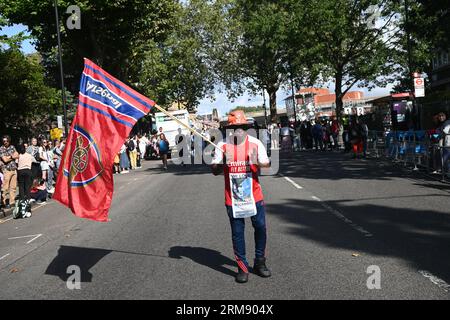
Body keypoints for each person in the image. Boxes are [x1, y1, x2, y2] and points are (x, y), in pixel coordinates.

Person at [211, 110, 271, 284]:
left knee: (260, 228)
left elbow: (266, 164)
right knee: (238, 233)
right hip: (233, 199)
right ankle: (242, 268)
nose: (238, 130)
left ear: (246, 128)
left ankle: (260, 262)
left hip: (254, 196)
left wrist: (256, 162)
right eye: (235, 127)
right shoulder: (222, 145)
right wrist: (223, 162)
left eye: (242, 127)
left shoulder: (255, 143)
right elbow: (214, 171)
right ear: (229, 129)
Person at [0, 135, 19, 209]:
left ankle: (12, 202)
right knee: (5, 188)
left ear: (9, 141)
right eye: (4, 141)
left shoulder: (12, 147)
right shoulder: (1, 148)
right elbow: (5, 160)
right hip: (6, 170)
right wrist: (12, 156)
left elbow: (17, 155)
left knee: (13, 187)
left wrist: (9, 157)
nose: (5, 142)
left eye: (7, 141)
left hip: (13, 169)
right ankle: (4, 202)